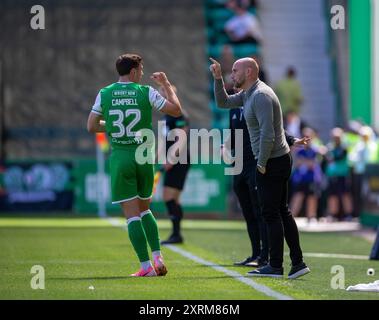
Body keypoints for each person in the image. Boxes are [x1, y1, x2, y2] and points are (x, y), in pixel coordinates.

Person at [209, 56, 310, 279]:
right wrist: (217, 79)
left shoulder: (261, 95)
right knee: (281, 212)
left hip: (272, 161)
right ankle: (297, 262)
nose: (232, 74)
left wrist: (261, 163)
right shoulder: (249, 93)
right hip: (275, 159)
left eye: (235, 71)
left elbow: (268, 134)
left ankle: (275, 265)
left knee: (270, 213)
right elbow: (223, 103)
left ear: (249, 73)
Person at [87, 53, 182, 277]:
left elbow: (91, 126)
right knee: (145, 209)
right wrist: (166, 84)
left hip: (121, 157)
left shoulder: (105, 93)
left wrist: (110, 125)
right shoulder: (146, 92)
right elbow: (176, 110)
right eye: (140, 70)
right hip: (144, 156)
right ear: (133, 71)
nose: (141, 73)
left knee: (131, 216)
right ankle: (158, 255)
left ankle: (146, 267)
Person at [228, 105, 310, 268]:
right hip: (239, 165)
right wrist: (226, 147)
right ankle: (256, 254)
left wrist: (292, 140)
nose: (233, 79)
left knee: (264, 212)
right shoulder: (234, 109)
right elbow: (233, 134)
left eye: (235, 76)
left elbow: (274, 128)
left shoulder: (257, 101)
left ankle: (266, 257)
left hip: (256, 163)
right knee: (248, 212)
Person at [157, 86, 191, 244]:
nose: (160, 96)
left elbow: (181, 138)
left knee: (168, 196)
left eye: (163, 93)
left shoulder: (179, 113)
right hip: (173, 160)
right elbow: (165, 140)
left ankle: (176, 234)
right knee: (173, 198)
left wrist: (171, 159)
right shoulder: (165, 116)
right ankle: (176, 234)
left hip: (179, 160)